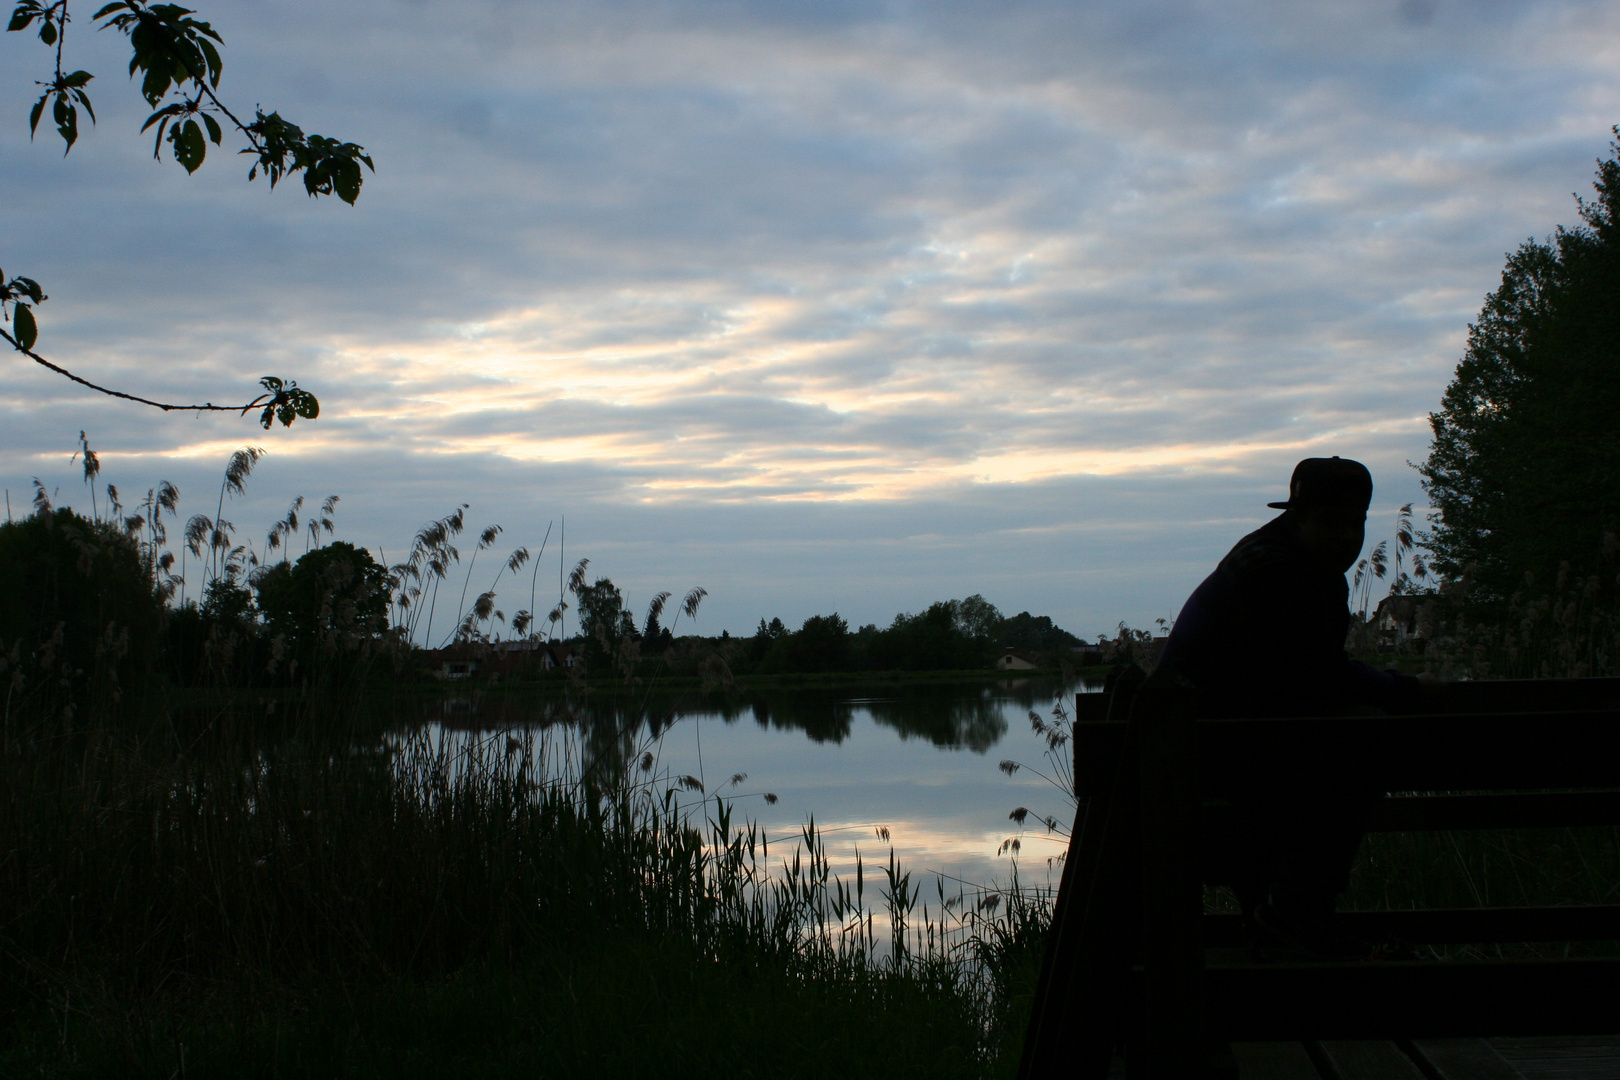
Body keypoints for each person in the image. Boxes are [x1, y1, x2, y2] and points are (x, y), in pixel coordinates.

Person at [1157, 456, 1439, 959]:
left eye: (1357, 523)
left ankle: (1284, 931)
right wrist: (1407, 689)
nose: (1347, 538)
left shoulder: (1275, 559)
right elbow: (1319, 678)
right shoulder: (1283, 572)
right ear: (1298, 517)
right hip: (1207, 770)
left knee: (1322, 746)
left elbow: (1301, 684)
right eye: (1331, 522)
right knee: (1362, 734)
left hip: (1208, 763)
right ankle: (1290, 921)